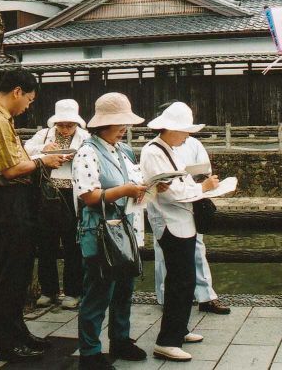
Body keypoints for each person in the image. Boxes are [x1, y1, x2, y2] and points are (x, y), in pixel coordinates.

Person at [0, 68, 67, 362]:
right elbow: (10, 169)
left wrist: (38, 160)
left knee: (18, 271)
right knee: (11, 274)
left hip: (11, 201)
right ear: (17, 91)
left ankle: (16, 332)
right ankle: (7, 342)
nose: (28, 105)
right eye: (28, 99)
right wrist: (43, 160)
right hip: (8, 202)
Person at [73, 93, 147, 370]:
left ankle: (120, 338)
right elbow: (88, 196)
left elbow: (135, 180)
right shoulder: (87, 151)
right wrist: (124, 191)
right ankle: (89, 352)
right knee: (98, 291)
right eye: (120, 123)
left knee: (124, 289)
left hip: (126, 229)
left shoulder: (124, 150)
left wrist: (144, 189)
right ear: (103, 124)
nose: (124, 128)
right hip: (101, 232)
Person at [141, 102, 219, 362]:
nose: (187, 135)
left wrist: (200, 187)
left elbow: (175, 184)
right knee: (179, 280)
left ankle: (179, 329)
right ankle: (167, 340)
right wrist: (204, 188)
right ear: (171, 128)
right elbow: (172, 192)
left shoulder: (169, 149)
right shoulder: (154, 152)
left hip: (183, 221)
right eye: (184, 130)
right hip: (170, 222)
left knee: (185, 279)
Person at [152, 101, 229, 315]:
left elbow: (204, 170)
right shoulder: (156, 149)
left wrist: (201, 184)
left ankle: (206, 296)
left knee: (197, 250)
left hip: (191, 203)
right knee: (164, 255)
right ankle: (165, 297)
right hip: (167, 210)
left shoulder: (192, 144)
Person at [25, 99, 90, 310]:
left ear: (77, 124)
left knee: (73, 244)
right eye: (61, 125)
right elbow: (26, 151)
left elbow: (91, 158)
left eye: (69, 125)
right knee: (46, 243)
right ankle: (48, 290)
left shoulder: (85, 138)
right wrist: (44, 149)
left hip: (73, 194)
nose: (64, 129)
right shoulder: (44, 135)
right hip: (48, 193)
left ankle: (73, 291)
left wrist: (75, 156)